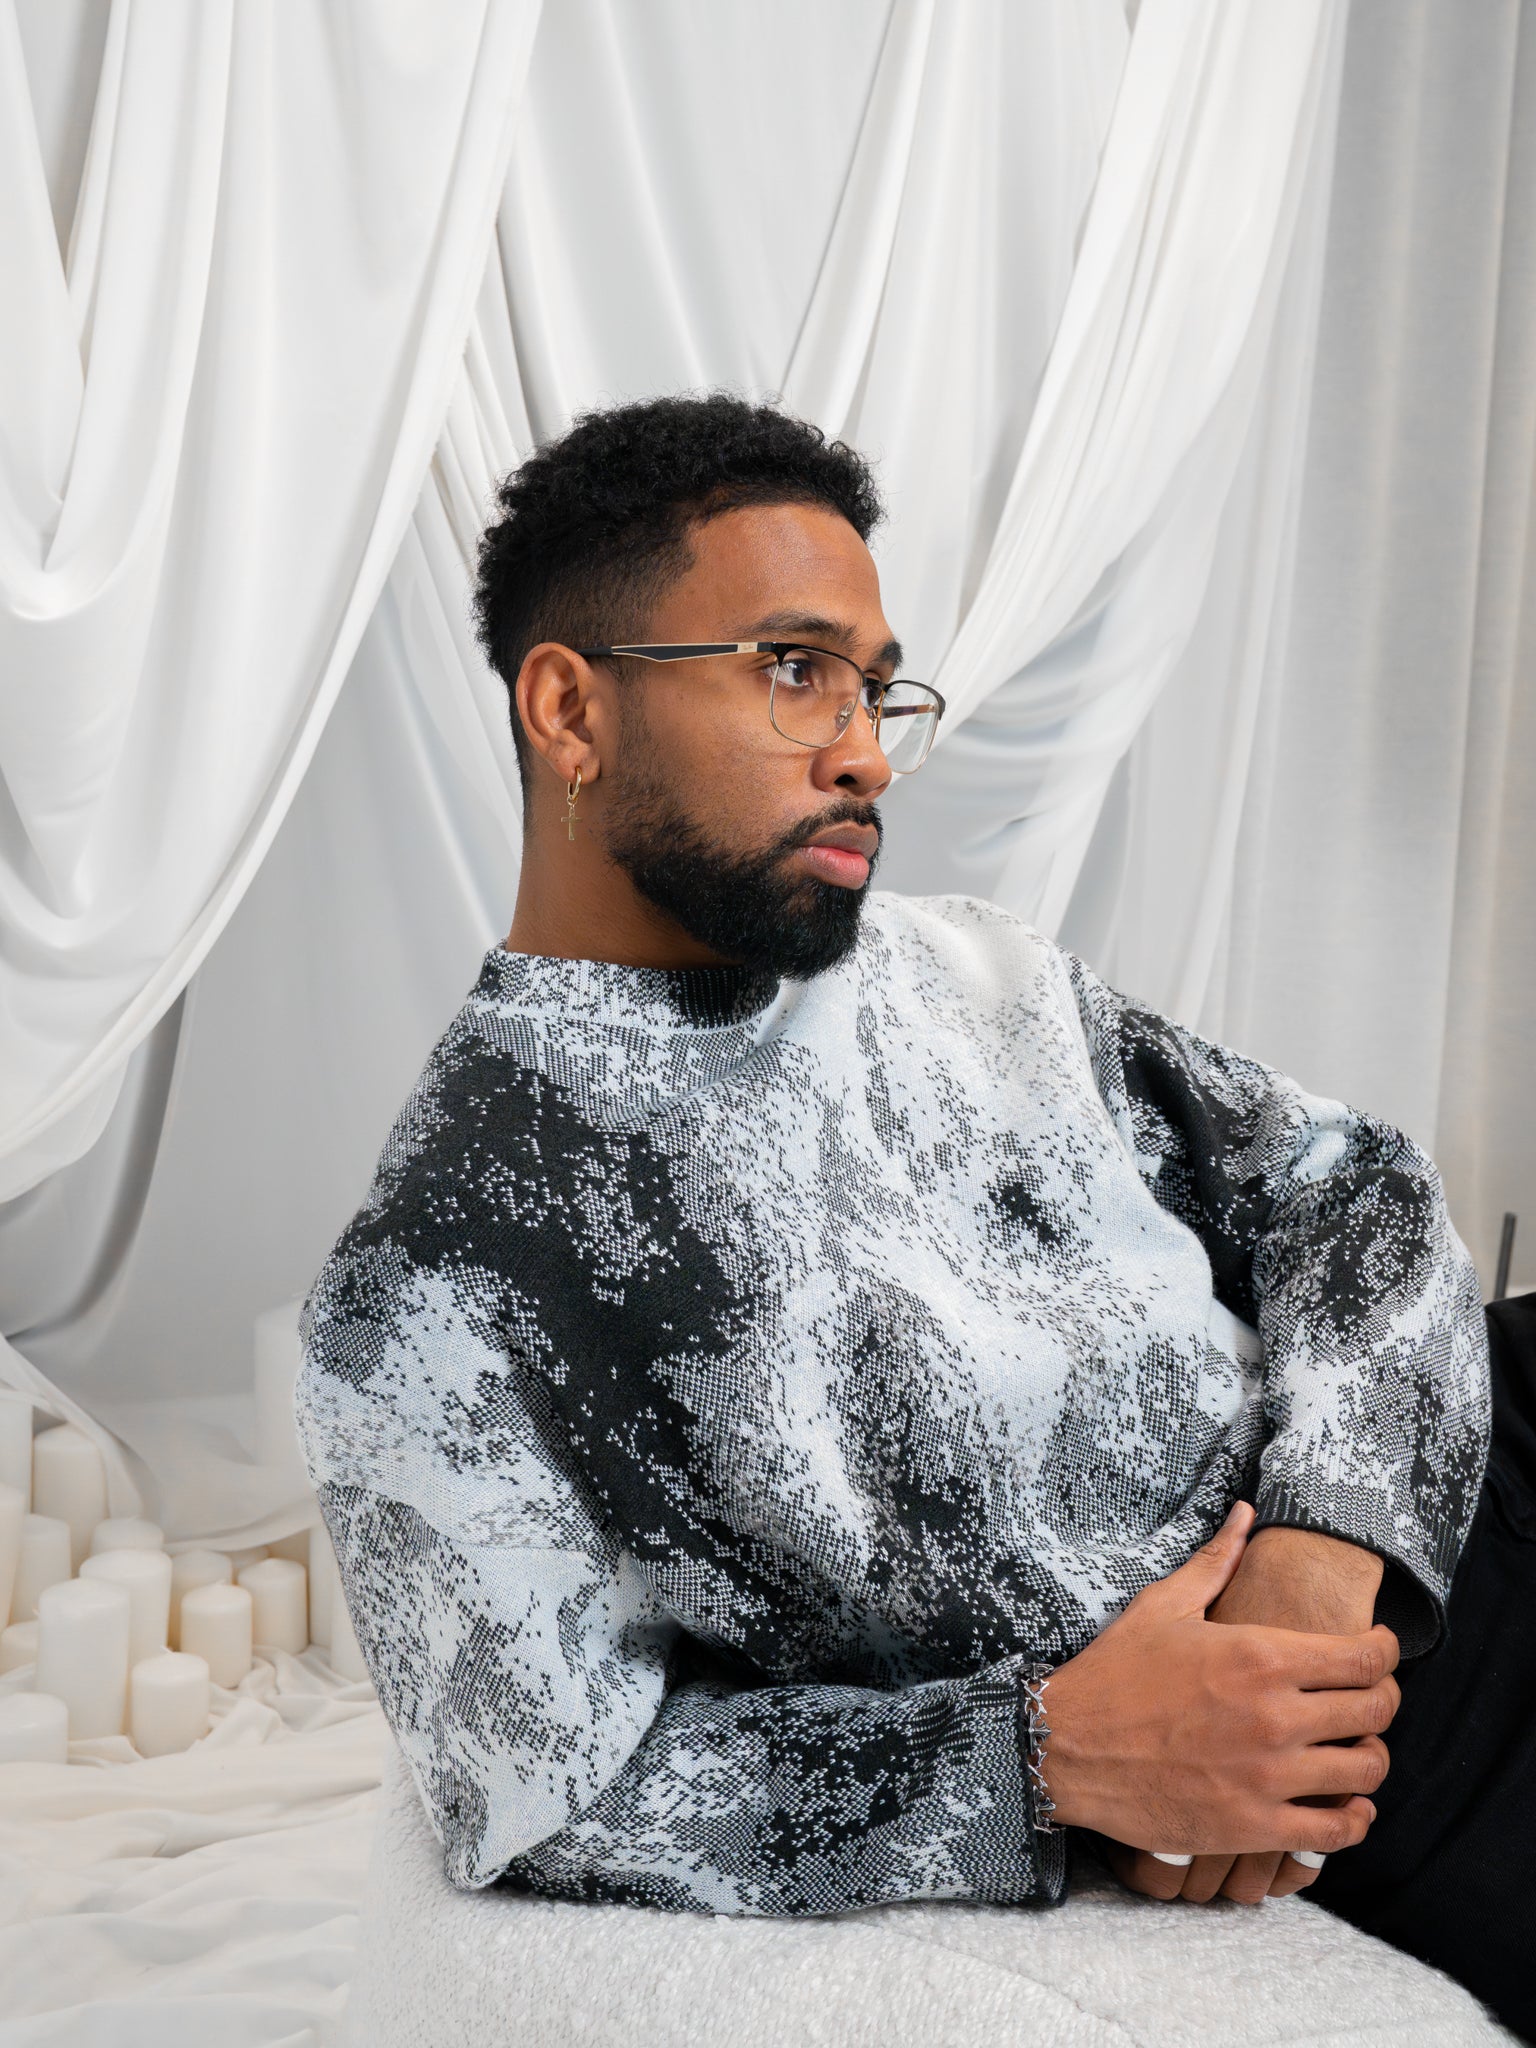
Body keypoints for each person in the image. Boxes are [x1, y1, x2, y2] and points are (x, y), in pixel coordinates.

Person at [294, 393, 1532, 2041]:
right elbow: (541, 1795)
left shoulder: (970, 966)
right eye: (791, 668)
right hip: (1392, 1748)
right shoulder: (429, 1286)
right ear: (570, 709)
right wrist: (1047, 1758)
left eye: (874, 687)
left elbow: (1351, 1190)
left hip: (1432, 1488)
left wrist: (1324, 1553)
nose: (867, 751)